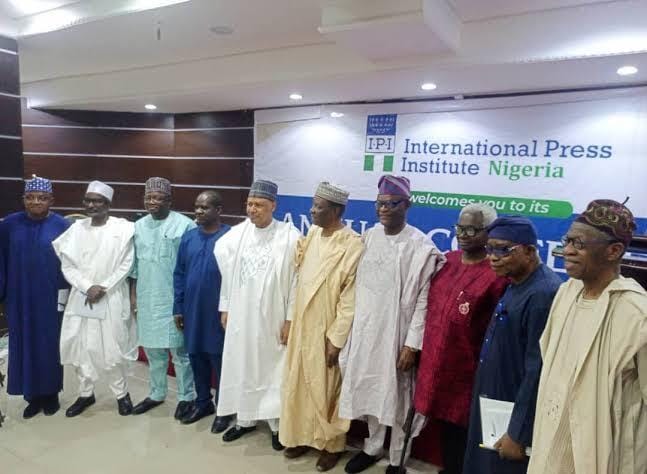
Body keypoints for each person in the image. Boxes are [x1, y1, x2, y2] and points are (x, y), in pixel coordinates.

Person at [528, 200, 647, 474]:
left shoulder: (637, 313)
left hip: (605, 456)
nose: (568, 250)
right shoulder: (566, 293)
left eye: (579, 244)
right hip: (549, 449)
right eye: (568, 240)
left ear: (613, 251)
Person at [339, 175, 445, 474]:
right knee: (372, 389)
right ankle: (372, 448)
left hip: (398, 335)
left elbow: (424, 300)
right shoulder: (369, 237)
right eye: (380, 203)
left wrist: (412, 344)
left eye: (392, 204)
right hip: (366, 331)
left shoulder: (420, 246)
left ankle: (398, 458)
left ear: (407, 205)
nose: (384, 209)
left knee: (398, 398)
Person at [462, 216, 562, 474]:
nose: (493, 257)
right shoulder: (515, 282)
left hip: (512, 410)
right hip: (493, 399)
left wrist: (518, 432)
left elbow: (537, 371)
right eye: (490, 249)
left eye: (503, 250)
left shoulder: (542, 294)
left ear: (529, 251)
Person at [413, 203, 507, 474]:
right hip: (436, 365)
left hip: (468, 372)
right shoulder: (447, 261)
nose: (463, 235)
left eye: (472, 230)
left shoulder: (496, 274)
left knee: (465, 433)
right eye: (460, 228)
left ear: (489, 232)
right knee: (443, 427)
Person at [280, 182, 364, 472]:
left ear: (336, 211)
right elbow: (299, 281)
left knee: (327, 386)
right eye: (313, 205)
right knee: (299, 382)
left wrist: (336, 339)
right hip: (302, 323)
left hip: (328, 327)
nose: (312, 211)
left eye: (318, 207)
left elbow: (350, 299)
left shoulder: (352, 244)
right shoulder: (313, 234)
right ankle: (302, 436)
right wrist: (290, 320)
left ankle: (332, 445)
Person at [214, 180, 300, 449]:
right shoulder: (237, 235)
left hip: (272, 317)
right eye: (250, 204)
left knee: (271, 368)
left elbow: (296, 283)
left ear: (273, 206)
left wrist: (290, 319)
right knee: (242, 363)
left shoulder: (290, 237)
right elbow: (227, 274)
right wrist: (226, 306)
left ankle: (275, 425)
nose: (253, 210)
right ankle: (245, 420)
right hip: (241, 315)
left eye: (259, 205)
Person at [53, 181, 138, 417]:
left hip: (110, 296)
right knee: (81, 346)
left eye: (97, 201)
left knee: (113, 348)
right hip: (82, 296)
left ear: (108, 204)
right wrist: (86, 286)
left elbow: (126, 263)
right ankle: (85, 394)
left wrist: (104, 286)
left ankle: (121, 394)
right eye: (88, 201)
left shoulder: (122, 229)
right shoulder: (76, 229)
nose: (92, 205)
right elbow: (67, 265)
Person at [0, 176, 70, 418]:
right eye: (30, 197)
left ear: (51, 200)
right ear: (23, 200)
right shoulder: (9, 225)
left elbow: (72, 263)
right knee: (24, 344)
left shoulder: (63, 226)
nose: (36, 202)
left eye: (42, 198)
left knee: (50, 345)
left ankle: (51, 395)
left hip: (52, 297)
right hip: (19, 297)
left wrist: (69, 294)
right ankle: (31, 396)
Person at [130, 177, 196, 419]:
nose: (153, 202)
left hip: (174, 300)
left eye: (158, 198)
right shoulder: (138, 226)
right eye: (149, 197)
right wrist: (133, 297)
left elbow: (191, 268)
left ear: (169, 200)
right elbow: (134, 267)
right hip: (147, 298)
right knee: (154, 352)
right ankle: (156, 394)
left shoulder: (186, 225)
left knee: (180, 353)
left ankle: (186, 397)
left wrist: (185, 303)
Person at [173, 191, 230, 429]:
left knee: (219, 359)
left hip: (219, 312)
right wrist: (178, 307)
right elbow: (179, 273)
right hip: (192, 310)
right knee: (196, 356)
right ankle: (203, 401)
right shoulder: (188, 238)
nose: (198, 211)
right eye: (196, 206)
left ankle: (224, 408)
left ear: (218, 210)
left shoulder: (230, 237)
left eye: (204, 207)